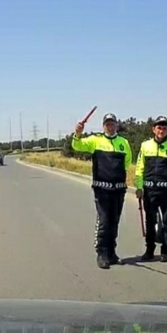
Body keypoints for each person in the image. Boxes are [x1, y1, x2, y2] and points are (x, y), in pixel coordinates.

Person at [72, 113, 133, 269]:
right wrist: (78, 133)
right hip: (102, 190)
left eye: (112, 123)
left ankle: (112, 253)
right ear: (103, 126)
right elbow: (77, 146)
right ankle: (101, 253)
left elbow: (126, 164)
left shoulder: (124, 143)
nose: (110, 126)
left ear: (116, 125)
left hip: (119, 190)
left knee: (114, 222)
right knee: (104, 221)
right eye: (107, 124)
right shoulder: (95, 140)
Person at [134, 115, 167, 262]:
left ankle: (165, 251)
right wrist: (139, 187)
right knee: (150, 222)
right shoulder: (145, 146)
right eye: (159, 127)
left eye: (164, 128)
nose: (161, 130)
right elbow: (139, 168)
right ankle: (149, 251)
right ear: (153, 130)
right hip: (150, 192)